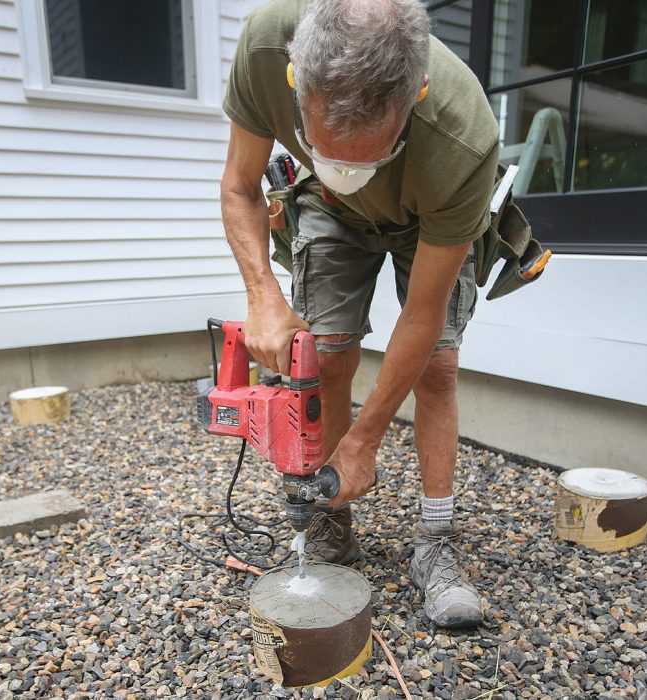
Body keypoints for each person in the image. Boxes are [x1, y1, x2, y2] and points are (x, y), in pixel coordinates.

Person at [220, 0, 500, 628]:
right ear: (297, 80)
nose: (350, 171)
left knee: (440, 369)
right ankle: (330, 522)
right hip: (322, 209)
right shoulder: (269, 48)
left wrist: (367, 439)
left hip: (428, 217)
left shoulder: (463, 137)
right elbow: (239, 185)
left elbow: (423, 313)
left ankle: (435, 540)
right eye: (327, 149)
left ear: (417, 92)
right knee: (325, 353)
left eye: (366, 157)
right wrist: (263, 293)